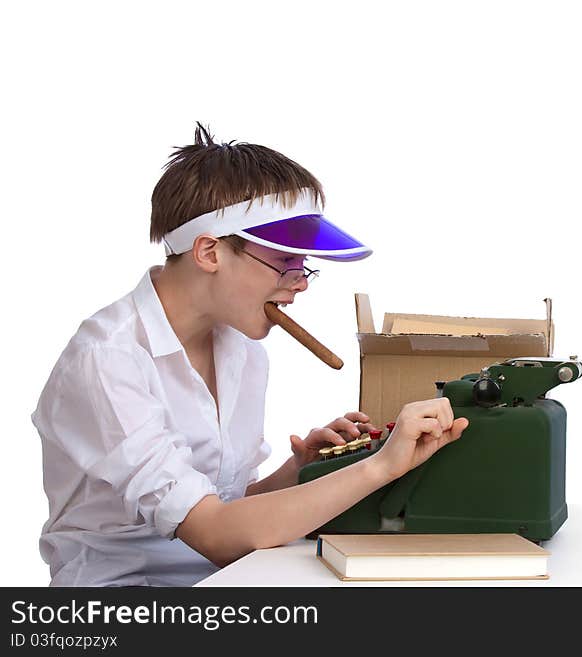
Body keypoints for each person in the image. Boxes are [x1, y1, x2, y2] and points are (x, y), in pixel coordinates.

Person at [32, 123, 469, 586]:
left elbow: (223, 507)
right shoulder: (108, 360)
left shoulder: (241, 345)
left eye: (305, 266)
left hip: (226, 579)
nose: (300, 281)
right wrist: (381, 466)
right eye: (285, 261)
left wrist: (299, 470)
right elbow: (215, 536)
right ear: (209, 252)